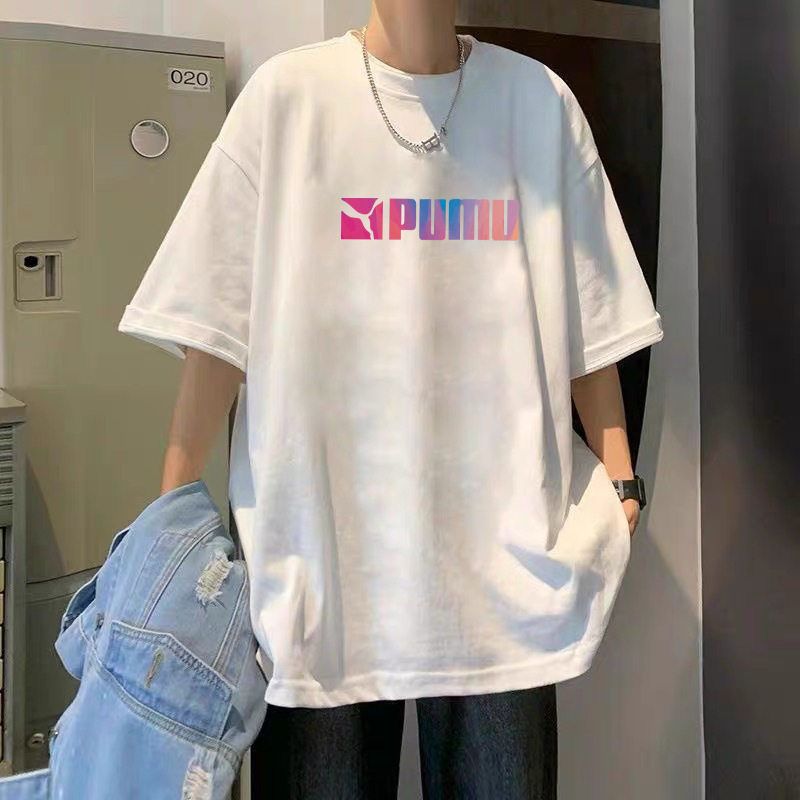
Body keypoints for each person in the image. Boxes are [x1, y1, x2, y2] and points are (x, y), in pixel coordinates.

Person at [117, 1, 664, 796]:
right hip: (320, 559)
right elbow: (216, 328)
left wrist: (620, 479)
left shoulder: (538, 102)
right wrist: (167, 524)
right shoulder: (289, 99)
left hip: (503, 562)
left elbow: (592, 318)